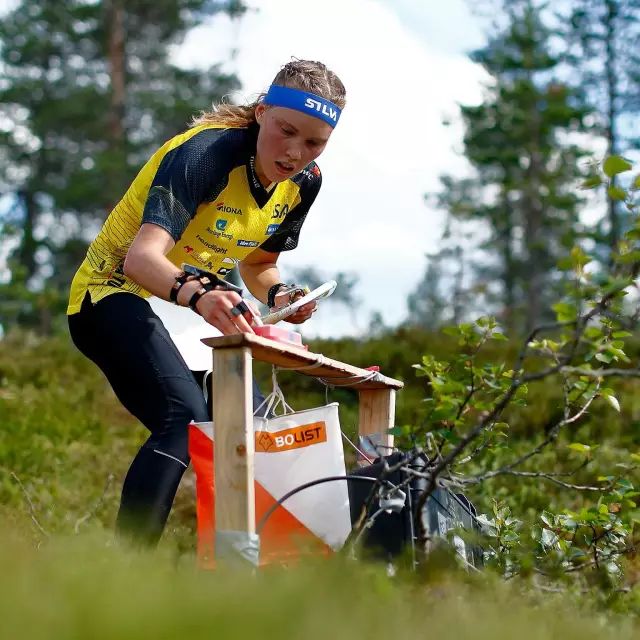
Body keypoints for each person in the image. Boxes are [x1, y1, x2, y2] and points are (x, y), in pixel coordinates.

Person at [67, 59, 347, 546]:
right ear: (262, 113)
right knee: (184, 419)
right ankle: (121, 581)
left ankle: (248, 574)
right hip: (113, 292)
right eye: (286, 131)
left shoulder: (305, 182)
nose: (295, 152)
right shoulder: (206, 155)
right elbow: (142, 258)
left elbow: (258, 266)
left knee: (251, 431)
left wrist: (282, 295)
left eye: (314, 142)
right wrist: (198, 296)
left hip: (188, 313)